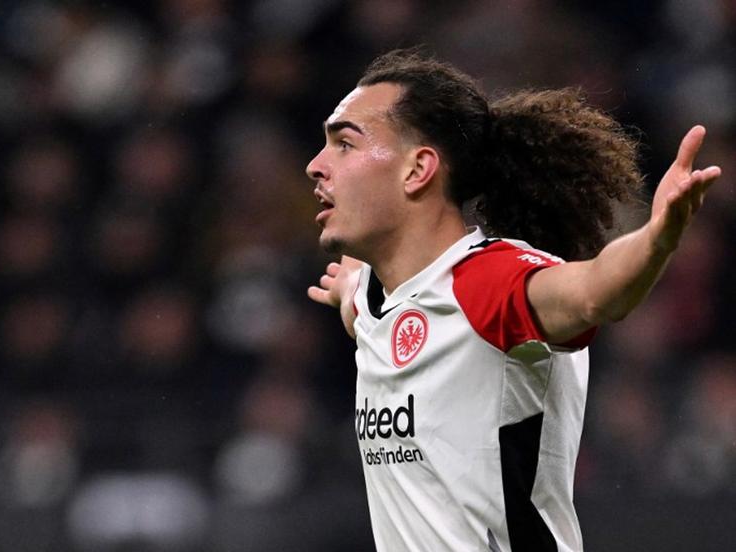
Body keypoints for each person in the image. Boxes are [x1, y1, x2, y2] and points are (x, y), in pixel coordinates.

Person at [305, 49, 721, 552]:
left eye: (345, 144)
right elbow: (384, 318)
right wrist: (348, 294)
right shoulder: (375, 297)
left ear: (418, 170)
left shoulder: (488, 281)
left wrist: (658, 238)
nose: (316, 166)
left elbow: (593, 294)